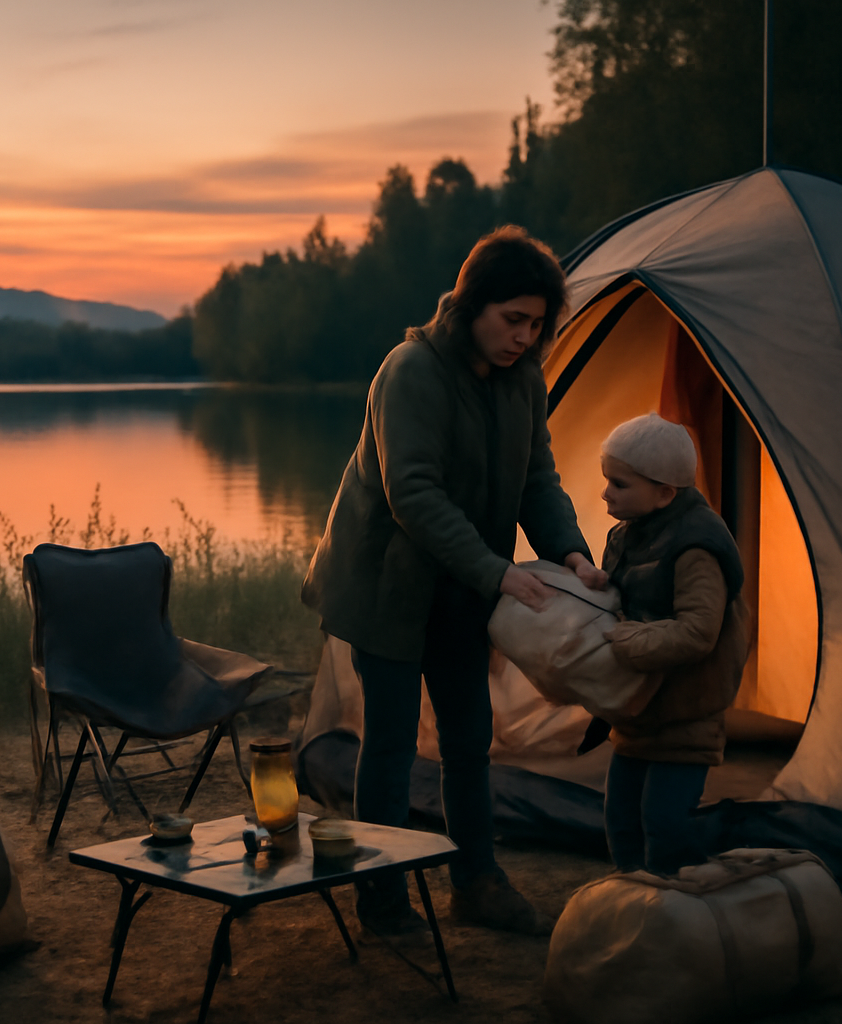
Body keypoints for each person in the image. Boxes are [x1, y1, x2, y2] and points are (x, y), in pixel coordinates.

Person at [301, 226, 606, 937]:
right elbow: (413, 493)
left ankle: (477, 884)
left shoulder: (523, 381)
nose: (524, 337)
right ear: (473, 306)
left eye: (536, 324)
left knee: (470, 738)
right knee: (390, 743)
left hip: (463, 587)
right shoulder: (411, 371)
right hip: (387, 585)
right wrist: (498, 572)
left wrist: (571, 554)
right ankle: (381, 898)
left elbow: (537, 480)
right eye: (513, 319)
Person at [595, 413, 751, 876]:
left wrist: (627, 640)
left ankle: (676, 907)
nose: (606, 493)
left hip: (687, 713)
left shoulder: (697, 546)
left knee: (664, 826)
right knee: (621, 820)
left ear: (664, 493)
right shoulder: (626, 535)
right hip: (638, 710)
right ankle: (632, 905)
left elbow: (699, 631)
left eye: (619, 484)